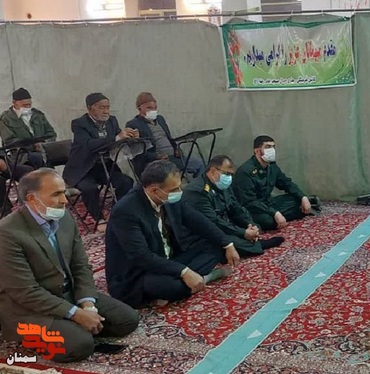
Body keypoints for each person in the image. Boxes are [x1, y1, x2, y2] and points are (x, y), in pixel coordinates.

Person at [0, 169, 139, 362]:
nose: (65, 200)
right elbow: (25, 292)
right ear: (32, 198)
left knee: (127, 320)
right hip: (29, 308)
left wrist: (87, 305)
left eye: (64, 192)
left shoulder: (64, 218)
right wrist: (75, 314)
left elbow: (80, 265)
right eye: (56, 194)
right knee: (80, 346)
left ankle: (71, 325)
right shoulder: (7, 233)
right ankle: (39, 334)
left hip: (68, 293)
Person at [105, 160, 240, 308]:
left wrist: (227, 244)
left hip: (168, 259)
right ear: (154, 190)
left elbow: (197, 221)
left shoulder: (168, 197)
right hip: (139, 273)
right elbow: (141, 256)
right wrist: (184, 271)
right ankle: (204, 278)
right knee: (172, 287)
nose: (179, 192)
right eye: (174, 189)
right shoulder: (126, 211)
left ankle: (191, 280)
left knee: (216, 246)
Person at [183, 155, 284, 256]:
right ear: (213, 171)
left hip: (224, 222)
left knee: (254, 222)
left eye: (231, 174)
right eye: (227, 174)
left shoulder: (221, 184)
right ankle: (257, 245)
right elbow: (213, 221)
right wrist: (243, 233)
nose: (229, 178)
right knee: (228, 242)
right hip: (206, 231)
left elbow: (235, 207)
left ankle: (250, 241)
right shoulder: (197, 191)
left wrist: (250, 224)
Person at [62, 93, 136, 223]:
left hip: (104, 166)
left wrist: (131, 136)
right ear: (90, 108)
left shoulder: (112, 120)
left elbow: (118, 138)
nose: (106, 111)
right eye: (102, 107)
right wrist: (117, 137)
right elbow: (89, 145)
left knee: (126, 182)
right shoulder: (79, 124)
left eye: (108, 107)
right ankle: (98, 219)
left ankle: (116, 213)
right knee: (89, 189)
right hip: (83, 169)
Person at [234, 135, 320, 231]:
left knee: (298, 200)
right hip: (251, 209)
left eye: (273, 147)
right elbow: (250, 202)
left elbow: (286, 183)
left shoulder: (272, 166)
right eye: (268, 147)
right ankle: (280, 216)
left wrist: (302, 197)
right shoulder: (246, 171)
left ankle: (294, 209)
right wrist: (275, 213)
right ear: (257, 151)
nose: (272, 150)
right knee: (268, 221)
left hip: (267, 203)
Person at [126, 92, 204, 178]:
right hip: (154, 162)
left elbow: (169, 138)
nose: (153, 111)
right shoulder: (133, 124)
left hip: (173, 158)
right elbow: (136, 153)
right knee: (167, 174)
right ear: (139, 109)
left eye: (155, 108)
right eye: (149, 108)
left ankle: (197, 186)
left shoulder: (160, 119)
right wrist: (156, 156)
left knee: (200, 164)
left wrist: (176, 148)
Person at [0, 87, 57, 169]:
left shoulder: (38, 115)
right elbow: (9, 141)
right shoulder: (6, 119)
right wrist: (32, 146)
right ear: (14, 103)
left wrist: (44, 144)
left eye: (29, 104)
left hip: (43, 153)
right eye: (24, 105)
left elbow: (51, 134)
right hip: (21, 157)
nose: (28, 107)